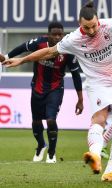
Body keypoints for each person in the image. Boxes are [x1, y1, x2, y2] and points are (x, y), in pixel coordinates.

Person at [2, 1, 112, 182]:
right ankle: (95, 154)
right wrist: (21, 60)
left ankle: (110, 172)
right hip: (97, 84)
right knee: (100, 118)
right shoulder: (73, 39)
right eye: (86, 27)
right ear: (80, 25)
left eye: (94, 26)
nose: (91, 31)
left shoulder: (109, 25)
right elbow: (49, 52)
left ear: (98, 21)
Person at [0, 22, 83, 164]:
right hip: (37, 88)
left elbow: (76, 75)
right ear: (48, 34)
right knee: (36, 121)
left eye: (60, 34)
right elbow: (22, 47)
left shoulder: (68, 50)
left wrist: (80, 99)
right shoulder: (39, 43)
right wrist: (7, 56)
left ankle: (51, 152)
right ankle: (41, 145)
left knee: (51, 120)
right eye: (54, 34)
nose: (57, 37)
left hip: (55, 89)